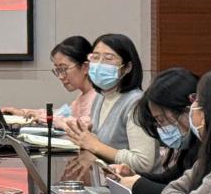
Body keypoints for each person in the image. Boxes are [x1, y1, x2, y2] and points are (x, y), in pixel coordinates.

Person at [62, 33, 157, 172]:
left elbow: (143, 162)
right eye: (95, 58)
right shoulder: (101, 97)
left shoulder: (136, 103)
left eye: (108, 59)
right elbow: (98, 143)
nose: (99, 64)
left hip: (134, 183)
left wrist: (95, 145)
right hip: (107, 179)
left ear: (127, 67)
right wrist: (83, 138)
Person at [109, 67, 201, 194]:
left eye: (161, 120)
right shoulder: (191, 146)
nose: (161, 128)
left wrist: (138, 185)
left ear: (188, 109)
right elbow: (171, 179)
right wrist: (133, 176)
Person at [2, 36, 95, 130]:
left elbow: (81, 125)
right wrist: (22, 113)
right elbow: (61, 115)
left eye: (63, 69)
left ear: (85, 67)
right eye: (57, 70)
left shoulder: (97, 97)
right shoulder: (82, 97)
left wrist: (44, 118)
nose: (60, 76)